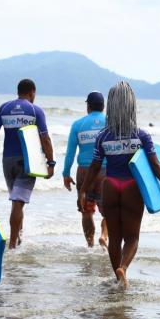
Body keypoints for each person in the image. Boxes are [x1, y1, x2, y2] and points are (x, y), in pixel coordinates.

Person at [79, 81, 160, 287]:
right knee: (132, 238)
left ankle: (118, 278)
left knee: (114, 238)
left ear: (110, 105)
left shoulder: (103, 136)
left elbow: (94, 167)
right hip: (131, 186)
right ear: (131, 105)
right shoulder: (141, 135)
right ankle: (124, 268)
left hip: (110, 185)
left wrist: (83, 191)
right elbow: (155, 164)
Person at [0, 79, 55, 249]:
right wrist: (50, 163)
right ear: (32, 92)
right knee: (17, 202)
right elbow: (45, 138)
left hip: (7, 161)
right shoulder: (35, 111)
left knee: (17, 201)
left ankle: (19, 238)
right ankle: (13, 244)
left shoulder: (4, 108)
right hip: (27, 162)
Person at [63, 91, 108, 248]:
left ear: (88, 106)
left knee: (86, 210)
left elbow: (70, 152)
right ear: (103, 107)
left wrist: (66, 174)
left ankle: (90, 246)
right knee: (109, 210)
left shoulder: (78, 124)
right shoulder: (110, 123)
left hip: (84, 171)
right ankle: (104, 235)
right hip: (105, 170)